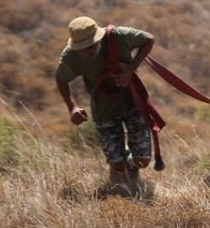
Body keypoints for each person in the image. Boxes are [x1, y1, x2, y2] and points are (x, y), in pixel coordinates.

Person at [55, 16, 156, 195]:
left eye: (91, 46)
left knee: (143, 160)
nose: (86, 52)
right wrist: (72, 107)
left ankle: (132, 168)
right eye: (82, 49)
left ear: (98, 39)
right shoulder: (71, 56)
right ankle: (122, 173)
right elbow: (61, 79)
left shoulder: (119, 36)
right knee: (117, 165)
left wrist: (131, 69)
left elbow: (148, 39)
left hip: (133, 101)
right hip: (104, 108)